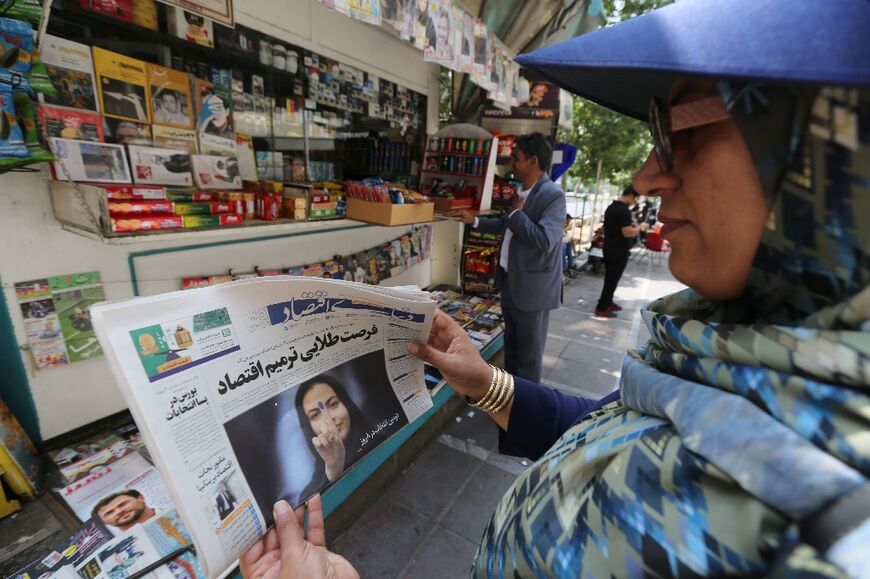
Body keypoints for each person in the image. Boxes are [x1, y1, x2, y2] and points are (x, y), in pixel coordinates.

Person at [241, 1, 869, 577]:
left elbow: (543, 240)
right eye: (655, 133)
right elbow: (609, 419)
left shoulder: (830, 532)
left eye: (683, 132)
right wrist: (485, 385)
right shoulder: (712, 357)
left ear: (833, 159)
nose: (648, 175)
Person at [459, 132, 566, 383]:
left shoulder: (552, 195)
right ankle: (511, 402)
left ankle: (527, 410)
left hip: (533, 292)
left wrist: (517, 216)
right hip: (510, 283)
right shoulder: (522, 192)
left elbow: (545, 240)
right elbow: (506, 226)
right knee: (514, 353)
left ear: (533, 161)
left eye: (516, 158)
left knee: (528, 359)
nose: (511, 163)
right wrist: (474, 220)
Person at [294, 375, 367, 502]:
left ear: (346, 403)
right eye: (315, 414)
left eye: (333, 404)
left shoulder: (381, 440)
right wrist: (333, 470)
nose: (328, 418)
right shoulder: (309, 495)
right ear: (309, 428)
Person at [594, 185, 646, 317]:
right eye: (636, 199)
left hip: (609, 247)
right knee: (612, 280)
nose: (635, 202)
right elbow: (627, 232)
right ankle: (601, 307)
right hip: (618, 250)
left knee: (611, 279)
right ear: (630, 196)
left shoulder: (612, 207)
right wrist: (640, 227)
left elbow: (616, 227)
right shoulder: (624, 210)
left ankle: (608, 301)